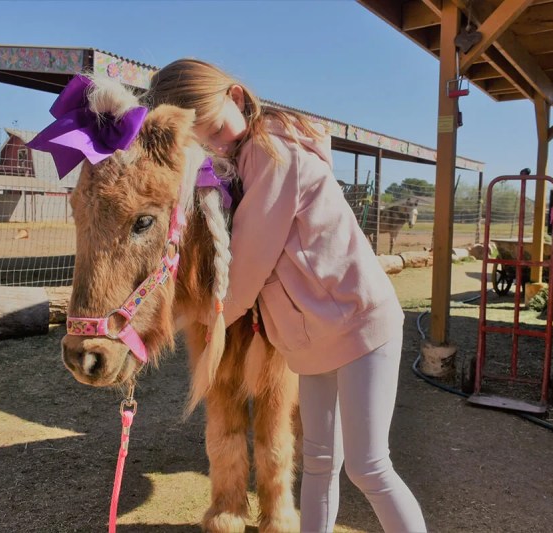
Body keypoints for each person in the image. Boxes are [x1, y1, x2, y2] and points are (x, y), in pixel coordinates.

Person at [144, 59, 427, 533]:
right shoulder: (244, 160)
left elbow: (249, 266)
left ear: (236, 96)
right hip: (311, 338)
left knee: (368, 466)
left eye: (213, 128)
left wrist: (162, 325)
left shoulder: (272, 152)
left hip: (359, 325)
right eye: (202, 142)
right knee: (318, 461)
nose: (214, 145)